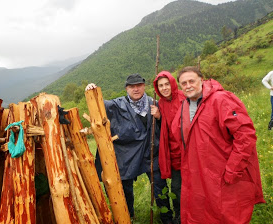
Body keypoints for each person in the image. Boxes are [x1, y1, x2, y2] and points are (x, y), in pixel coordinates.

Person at [171, 66, 265, 224]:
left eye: (191, 81)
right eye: (183, 83)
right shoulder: (185, 105)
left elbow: (245, 136)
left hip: (223, 173)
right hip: (199, 173)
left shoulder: (221, 99)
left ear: (202, 80)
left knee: (228, 214)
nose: (188, 86)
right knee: (204, 213)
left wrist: (233, 169)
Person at [85, 73, 173, 223]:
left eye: (139, 85)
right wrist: (90, 90)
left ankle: (167, 218)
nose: (136, 89)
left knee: (160, 187)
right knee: (125, 189)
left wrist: (159, 117)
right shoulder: (117, 105)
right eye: (132, 86)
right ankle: (128, 216)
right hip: (127, 155)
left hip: (151, 153)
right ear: (126, 88)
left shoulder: (155, 104)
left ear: (144, 86)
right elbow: (98, 105)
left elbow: (167, 125)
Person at [151, 71, 186, 224]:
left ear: (172, 83)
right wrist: (159, 117)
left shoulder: (184, 99)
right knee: (177, 188)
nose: (164, 88)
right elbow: (165, 126)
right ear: (157, 88)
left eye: (167, 84)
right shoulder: (161, 103)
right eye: (161, 86)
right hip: (173, 152)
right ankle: (180, 216)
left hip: (188, 151)